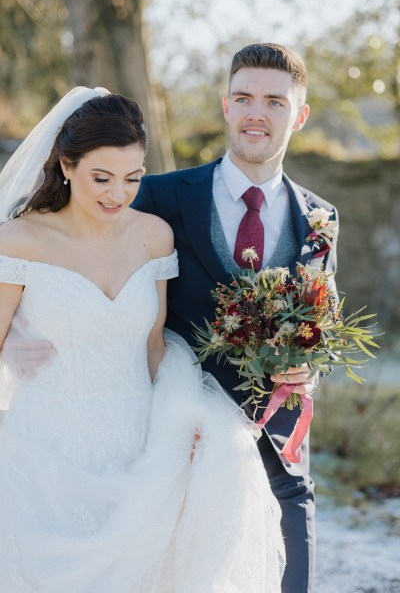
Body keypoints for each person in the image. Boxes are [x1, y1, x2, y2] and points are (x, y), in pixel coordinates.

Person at [0, 87, 285, 591]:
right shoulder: (19, 240)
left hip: (142, 450)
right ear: (66, 165)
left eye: (133, 178)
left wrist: (188, 421)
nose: (118, 194)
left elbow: (154, 348)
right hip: (44, 452)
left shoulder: (155, 235)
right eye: (101, 178)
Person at [133, 42, 339, 593]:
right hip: (180, 450)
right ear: (226, 106)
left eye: (275, 101)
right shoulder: (158, 198)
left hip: (280, 459)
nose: (256, 112)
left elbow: (323, 323)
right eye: (244, 97)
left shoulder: (320, 217)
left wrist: (310, 370)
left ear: (299, 115)